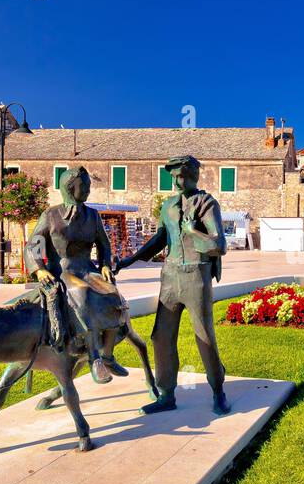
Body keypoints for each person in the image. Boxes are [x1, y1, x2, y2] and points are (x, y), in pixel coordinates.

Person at [116, 155, 230, 415]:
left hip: (195, 275)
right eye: (174, 177)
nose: (177, 182)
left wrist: (192, 232)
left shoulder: (206, 203)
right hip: (169, 277)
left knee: (204, 336)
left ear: (194, 176)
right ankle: (166, 394)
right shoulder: (168, 206)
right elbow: (159, 239)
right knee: (161, 337)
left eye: (182, 176)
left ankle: (218, 390)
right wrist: (129, 260)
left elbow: (219, 245)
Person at [25, 166, 127, 384]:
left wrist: (105, 266)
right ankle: (94, 358)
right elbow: (33, 244)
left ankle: (108, 354)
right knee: (80, 295)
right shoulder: (51, 215)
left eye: (89, 185)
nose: (89, 189)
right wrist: (39, 269)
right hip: (61, 271)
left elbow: (104, 245)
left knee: (114, 296)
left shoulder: (92, 215)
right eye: (85, 185)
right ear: (70, 188)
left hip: (87, 269)